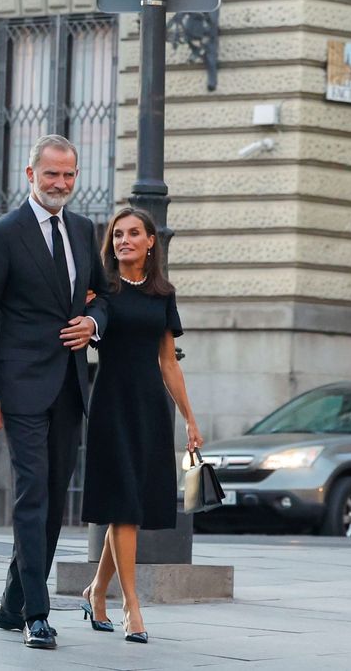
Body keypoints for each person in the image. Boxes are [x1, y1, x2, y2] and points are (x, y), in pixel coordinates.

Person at [0, 134, 109, 650]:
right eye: (51, 174)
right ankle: (37, 614)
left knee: (51, 501)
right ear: (30, 175)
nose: (61, 184)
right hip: (20, 387)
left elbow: (105, 296)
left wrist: (93, 321)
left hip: (71, 386)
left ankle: (11, 603)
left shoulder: (85, 230)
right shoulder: (2, 235)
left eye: (69, 175)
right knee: (33, 494)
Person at [79, 207, 203, 645]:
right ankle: (132, 606)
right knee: (124, 506)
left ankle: (96, 590)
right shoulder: (102, 291)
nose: (124, 240)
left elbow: (168, 362)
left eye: (134, 233)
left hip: (150, 406)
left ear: (152, 240)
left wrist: (189, 417)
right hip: (112, 403)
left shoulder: (162, 293)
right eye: (117, 234)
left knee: (129, 507)